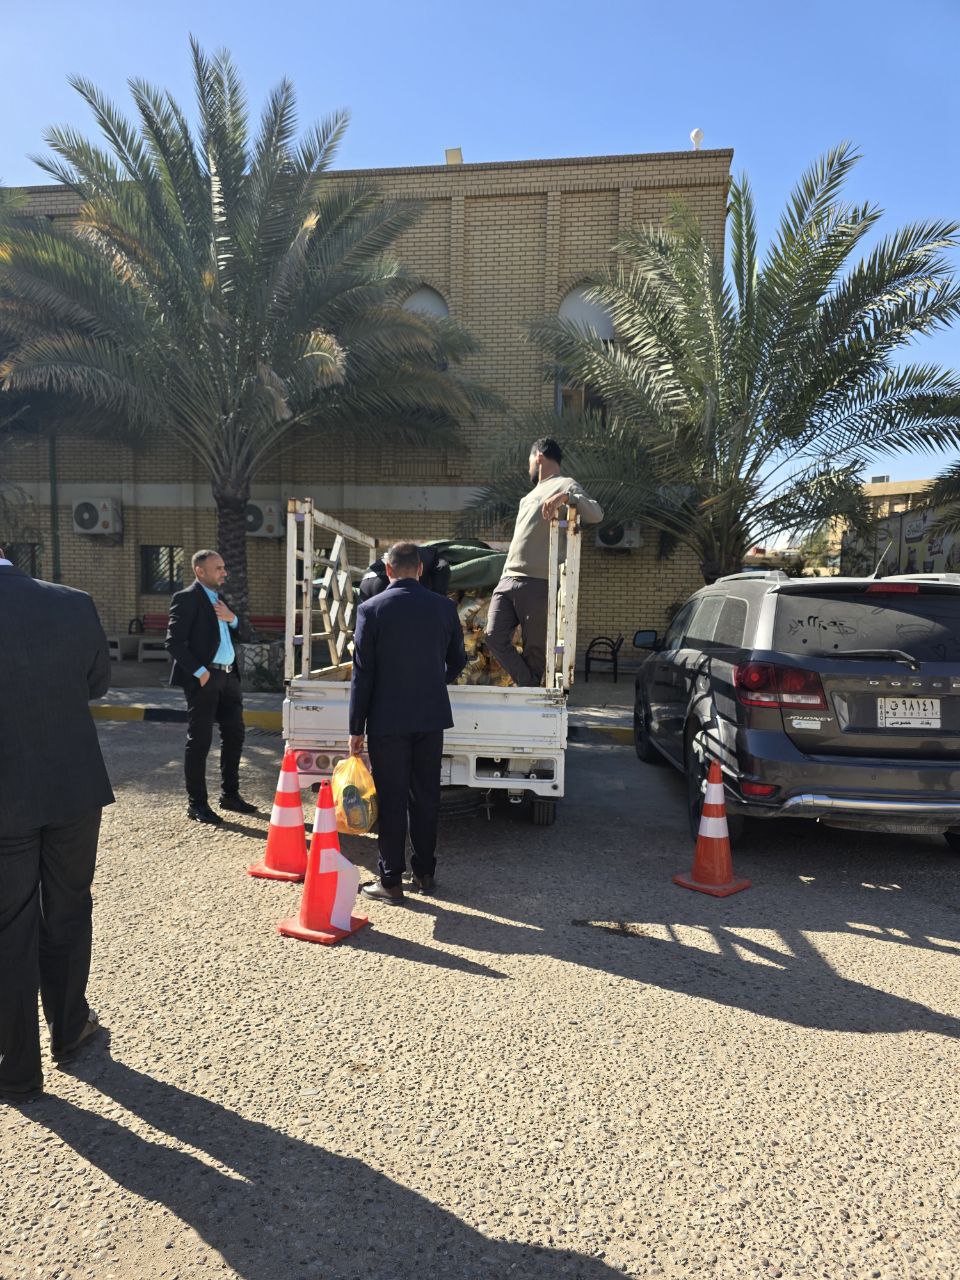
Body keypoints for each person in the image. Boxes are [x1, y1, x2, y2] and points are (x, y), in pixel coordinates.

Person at [0, 547, 113, 1102]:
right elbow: (96, 684)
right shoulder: (73, 603)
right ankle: (69, 1031)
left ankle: (16, 1068)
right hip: (72, 785)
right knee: (68, 907)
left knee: (8, 927)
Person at [348, 542, 467, 903]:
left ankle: (390, 880)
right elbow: (458, 661)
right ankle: (425, 873)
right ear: (419, 569)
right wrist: (435, 681)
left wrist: (355, 728)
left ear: (388, 570)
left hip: (387, 721)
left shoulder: (370, 609)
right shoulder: (444, 607)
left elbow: (362, 675)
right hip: (430, 718)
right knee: (426, 797)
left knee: (392, 799)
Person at [485, 437, 604, 686]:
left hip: (539, 584)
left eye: (529, 460)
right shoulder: (527, 497)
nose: (528, 466)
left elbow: (596, 513)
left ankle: (530, 697)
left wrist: (566, 497)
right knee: (493, 636)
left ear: (538, 456)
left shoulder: (565, 484)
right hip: (508, 579)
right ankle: (529, 686)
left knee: (535, 654)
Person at [166, 550, 257, 825]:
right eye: (218, 568)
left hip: (229, 678)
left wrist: (233, 618)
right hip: (205, 679)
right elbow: (174, 642)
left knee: (235, 735)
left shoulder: (219, 599)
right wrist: (200, 672)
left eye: (224, 567)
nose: (224, 572)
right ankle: (197, 804)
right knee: (200, 741)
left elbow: (243, 632)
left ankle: (230, 795)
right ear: (200, 571)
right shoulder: (186, 598)